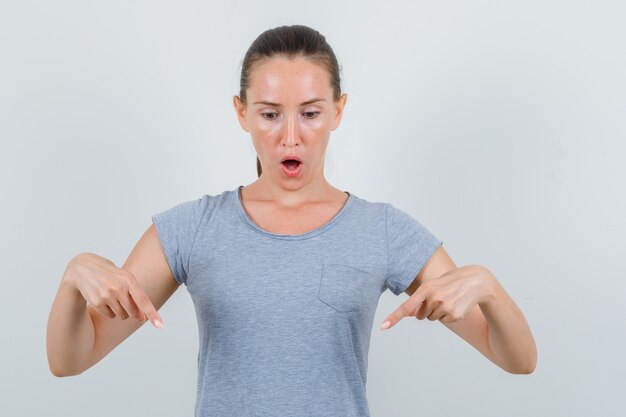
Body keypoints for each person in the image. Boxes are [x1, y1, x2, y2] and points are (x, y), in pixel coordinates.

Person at [46, 24, 537, 416]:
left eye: (309, 113)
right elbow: (70, 360)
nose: (290, 137)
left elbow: (518, 360)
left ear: (338, 112)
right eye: (269, 114)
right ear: (241, 114)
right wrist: (73, 279)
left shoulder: (383, 230)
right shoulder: (192, 228)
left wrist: (488, 288)